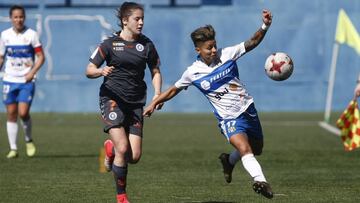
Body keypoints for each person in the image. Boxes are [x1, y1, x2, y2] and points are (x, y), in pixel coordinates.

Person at [143, 9, 274, 199]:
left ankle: (229, 161)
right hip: (228, 119)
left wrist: (265, 25)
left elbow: (252, 42)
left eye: (214, 46)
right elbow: (173, 90)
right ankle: (260, 180)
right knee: (245, 149)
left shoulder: (227, 54)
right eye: (209, 48)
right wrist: (154, 103)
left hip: (248, 109)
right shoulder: (193, 72)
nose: (213, 50)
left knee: (257, 149)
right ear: (198, 50)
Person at [85, 2, 163, 203]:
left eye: (142, 18)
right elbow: (89, 69)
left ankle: (109, 148)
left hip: (136, 102)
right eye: (137, 19)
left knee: (134, 156)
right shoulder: (109, 44)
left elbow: (155, 70)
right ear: (125, 20)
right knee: (123, 147)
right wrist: (100, 71)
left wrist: (157, 94)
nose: (141, 22)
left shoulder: (146, 44)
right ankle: (121, 197)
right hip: (112, 98)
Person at [0, 5, 45, 159]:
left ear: (24, 18)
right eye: (15, 17)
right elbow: (1, 57)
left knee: (23, 112)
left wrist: (32, 72)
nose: (18, 20)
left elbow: (41, 57)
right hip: (9, 80)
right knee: (11, 114)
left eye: (21, 17)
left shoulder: (32, 35)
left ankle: (28, 139)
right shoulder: (5, 35)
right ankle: (13, 148)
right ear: (11, 18)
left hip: (26, 80)